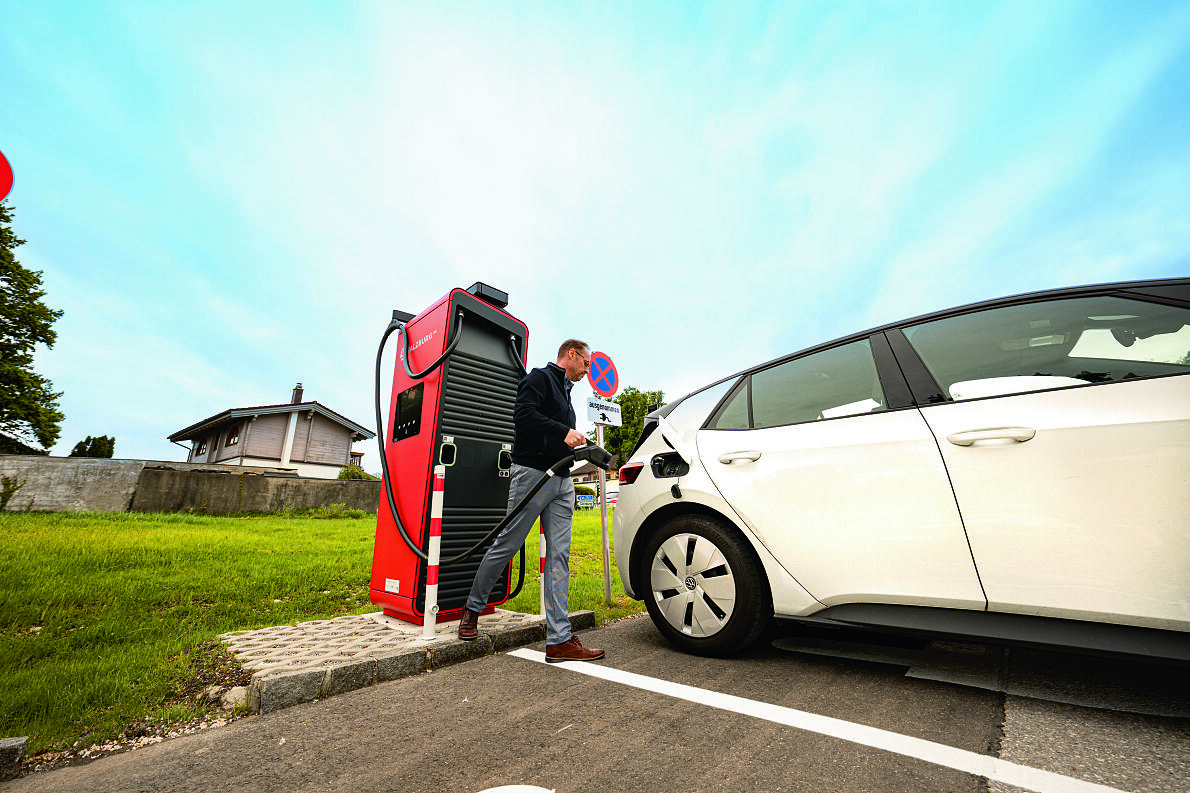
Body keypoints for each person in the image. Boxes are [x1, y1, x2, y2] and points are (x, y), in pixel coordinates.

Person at [458, 339, 605, 663]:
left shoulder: (567, 394)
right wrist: (563, 431)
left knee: (559, 558)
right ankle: (471, 611)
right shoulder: (540, 378)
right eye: (586, 362)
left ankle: (558, 640)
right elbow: (522, 415)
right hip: (533, 476)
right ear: (572, 355)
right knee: (507, 545)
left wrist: (575, 442)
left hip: (563, 481)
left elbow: (557, 431)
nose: (587, 369)